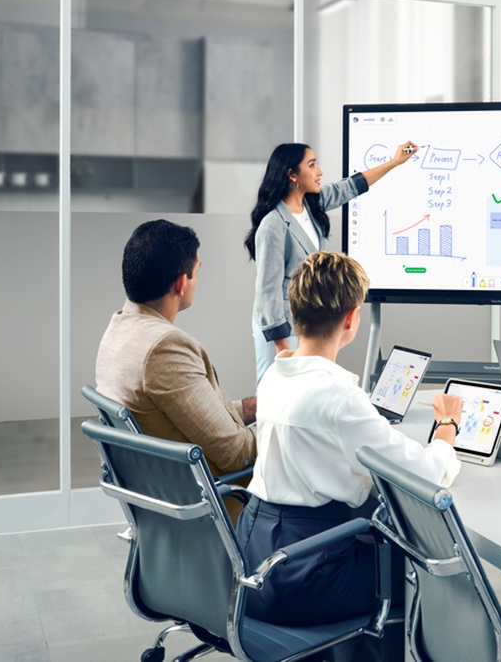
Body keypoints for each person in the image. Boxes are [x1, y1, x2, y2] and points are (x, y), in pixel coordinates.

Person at [236, 251, 462, 647]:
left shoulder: (275, 376)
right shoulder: (340, 396)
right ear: (351, 318)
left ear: (294, 312)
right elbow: (425, 477)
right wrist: (447, 426)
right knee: (421, 570)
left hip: (252, 562)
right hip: (304, 576)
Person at [244, 141, 419, 386]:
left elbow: (352, 186)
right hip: (280, 327)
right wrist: (282, 347)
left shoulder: (311, 204)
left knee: (304, 393)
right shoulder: (273, 226)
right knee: (274, 390)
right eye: (312, 165)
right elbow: (267, 292)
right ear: (292, 175)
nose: (320, 172)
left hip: (304, 322)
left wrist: (394, 162)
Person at [95, 220, 257, 481]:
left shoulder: (119, 329)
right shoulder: (164, 349)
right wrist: (291, 421)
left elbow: (191, 416)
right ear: (182, 283)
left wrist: (256, 408)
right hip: (229, 502)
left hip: (166, 498)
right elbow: (236, 452)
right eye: (197, 271)